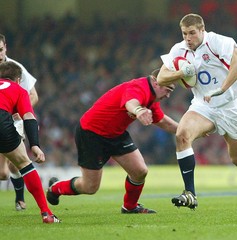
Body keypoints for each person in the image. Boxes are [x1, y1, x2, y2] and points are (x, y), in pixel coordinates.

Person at [157, 13, 237, 209]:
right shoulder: (179, 49)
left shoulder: (217, 42)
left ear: (202, 30)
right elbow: (162, 77)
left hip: (231, 107)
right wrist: (182, 73)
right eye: (184, 34)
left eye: (192, 33)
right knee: (182, 134)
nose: (188, 38)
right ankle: (190, 193)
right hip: (203, 106)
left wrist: (222, 88)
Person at [46, 69, 178, 214]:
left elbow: (163, 122)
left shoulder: (153, 98)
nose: (168, 95)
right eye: (168, 89)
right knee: (90, 187)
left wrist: (189, 131)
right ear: (155, 81)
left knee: (140, 171)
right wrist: (139, 110)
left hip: (116, 134)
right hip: (92, 133)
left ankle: (130, 207)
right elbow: (131, 103)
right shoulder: (138, 87)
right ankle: (55, 188)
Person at [0, 61, 60, 223]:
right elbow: (28, 117)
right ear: (18, 80)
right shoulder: (19, 90)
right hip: (3, 125)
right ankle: (46, 213)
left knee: (3, 173)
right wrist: (35, 145)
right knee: (24, 164)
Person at [0, 33, 39, 211]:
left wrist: (18, 110)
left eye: (0, 50)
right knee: (2, 174)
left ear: (5, 47)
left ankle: (20, 198)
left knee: (14, 164)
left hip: (13, 120)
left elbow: (33, 95)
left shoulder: (16, 68)